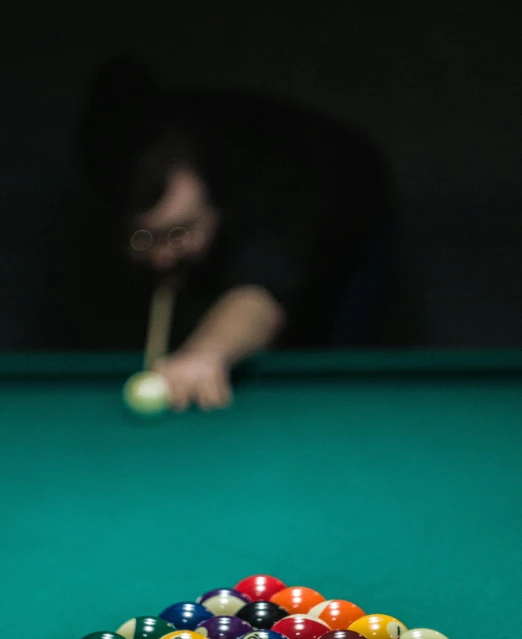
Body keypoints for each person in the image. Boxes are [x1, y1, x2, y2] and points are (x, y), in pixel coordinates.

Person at [77, 56, 402, 411]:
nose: (162, 257)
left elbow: (259, 290)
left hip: (351, 209)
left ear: (218, 207)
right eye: (143, 238)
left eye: (179, 232)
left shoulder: (271, 185)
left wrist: (205, 352)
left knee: (336, 339)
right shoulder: (115, 156)